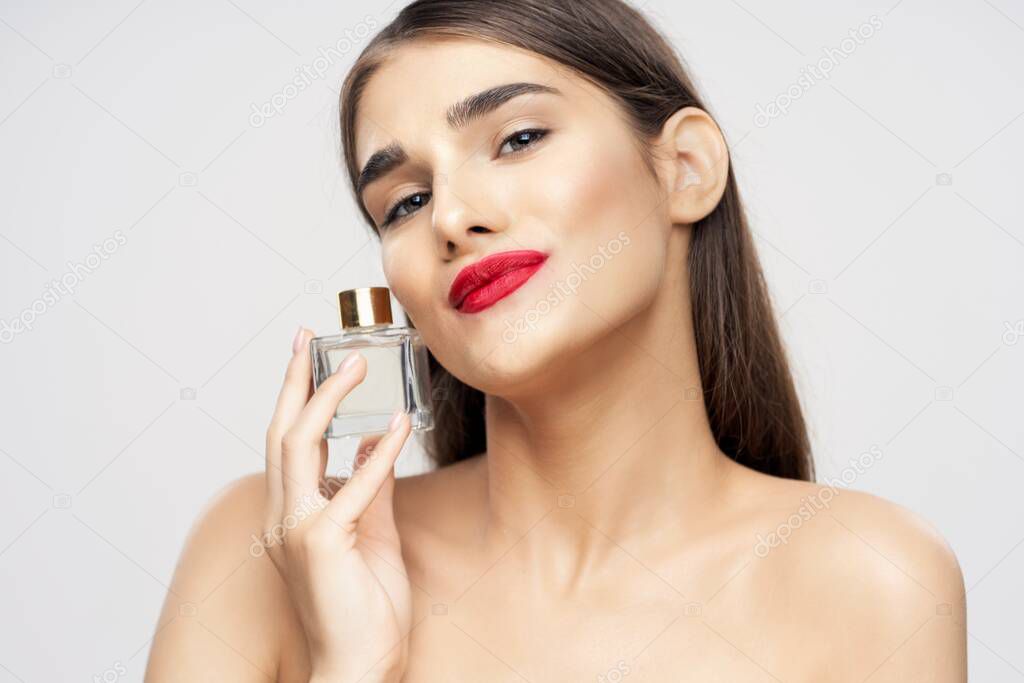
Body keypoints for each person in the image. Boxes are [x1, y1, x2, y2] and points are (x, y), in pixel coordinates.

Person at [146, 1, 966, 680]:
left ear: (684, 167)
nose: (453, 216)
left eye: (518, 139)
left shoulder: (872, 580)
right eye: (404, 200)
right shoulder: (263, 551)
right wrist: (352, 665)